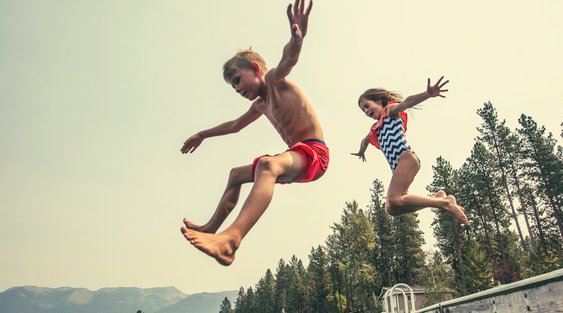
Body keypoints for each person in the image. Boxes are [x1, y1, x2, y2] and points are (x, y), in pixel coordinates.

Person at [180, 0, 328, 266]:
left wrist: (298, 38)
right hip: (296, 155)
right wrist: (202, 134)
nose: (236, 88)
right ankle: (212, 228)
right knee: (236, 175)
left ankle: (231, 241)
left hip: (314, 153)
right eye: (232, 86)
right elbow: (235, 125)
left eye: (237, 80)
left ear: (256, 70)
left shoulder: (274, 81)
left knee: (268, 165)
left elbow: (289, 59)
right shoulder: (260, 104)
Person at [351, 77, 468, 224]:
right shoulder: (375, 129)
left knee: (393, 199)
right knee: (391, 208)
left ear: (379, 101)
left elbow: (407, 102)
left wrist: (427, 94)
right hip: (398, 166)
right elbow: (365, 140)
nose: (366, 111)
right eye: (363, 110)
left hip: (405, 157)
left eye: (367, 106)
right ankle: (438, 200)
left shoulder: (390, 111)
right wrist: (361, 151)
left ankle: (446, 203)